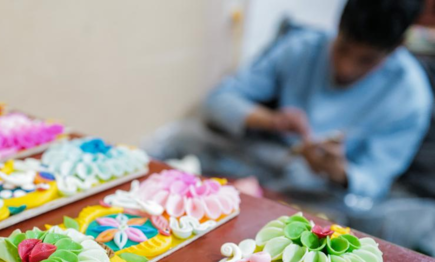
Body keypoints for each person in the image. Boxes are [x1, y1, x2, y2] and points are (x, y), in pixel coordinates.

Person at [146, 0, 432, 217]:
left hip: (324, 191)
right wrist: (272, 121)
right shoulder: (302, 47)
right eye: (343, 48)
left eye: (366, 60)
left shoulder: (411, 97)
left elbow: (374, 181)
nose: (345, 67)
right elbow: (220, 100)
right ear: (337, 26)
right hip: (268, 158)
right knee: (182, 138)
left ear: (397, 47)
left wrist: (338, 170)